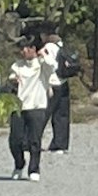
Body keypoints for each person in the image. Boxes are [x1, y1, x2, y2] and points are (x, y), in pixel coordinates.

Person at [7, 35, 50, 183]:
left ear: (34, 49)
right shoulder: (17, 65)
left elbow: (52, 66)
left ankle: (34, 168)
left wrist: (43, 54)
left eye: (27, 48)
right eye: (22, 48)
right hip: (18, 106)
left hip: (37, 106)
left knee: (35, 140)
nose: (24, 51)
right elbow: (12, 77)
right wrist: (13, 81)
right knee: (15, 140)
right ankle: (19, 164)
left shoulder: (42, 66)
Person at [41, 30, 75, 158]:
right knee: (62, 115)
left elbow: (51, 64)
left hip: (53, 83)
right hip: (64, 82)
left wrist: (42, 55)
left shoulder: (49, 47)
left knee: (44, 112)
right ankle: (60, 144)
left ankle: (32, 141)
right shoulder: (62, 46)